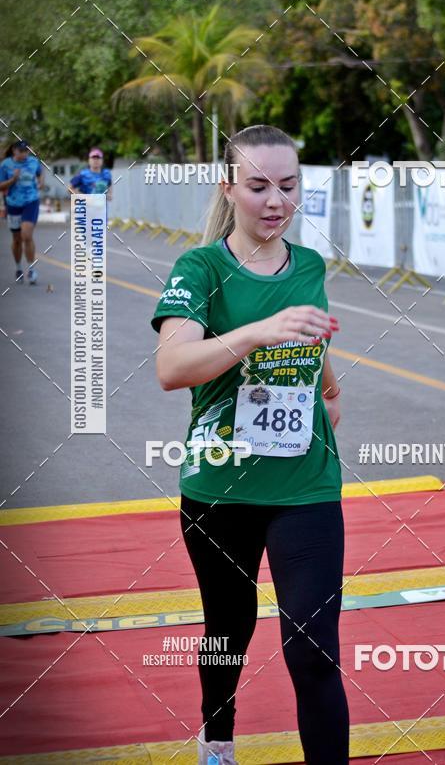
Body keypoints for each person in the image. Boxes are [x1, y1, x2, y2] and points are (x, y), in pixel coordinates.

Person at [151, 124, 348, 765]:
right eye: (259, 186)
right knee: (227, 629)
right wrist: (261, 330)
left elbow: (311, 346)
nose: (275, 201)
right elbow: (172, 367)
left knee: (314, 646)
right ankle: (218, 742)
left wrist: (326, 383)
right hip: (220, 487)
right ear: (229, 187)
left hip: (305, 486)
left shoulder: (311, 264)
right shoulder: (200, 267)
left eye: (288, 186)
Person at [0, 140, 44, 284]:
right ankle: (19, 268)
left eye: (26, 150)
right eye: (21, 151)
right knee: (17, 239)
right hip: (13, 204)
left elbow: (40, 172)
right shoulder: (5, 165)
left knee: (26, 235)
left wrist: (41, 182)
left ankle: (31, 270)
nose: (25, 153)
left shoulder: (33, 162)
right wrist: (13, 179)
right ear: (14, 150)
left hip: (31, 202)